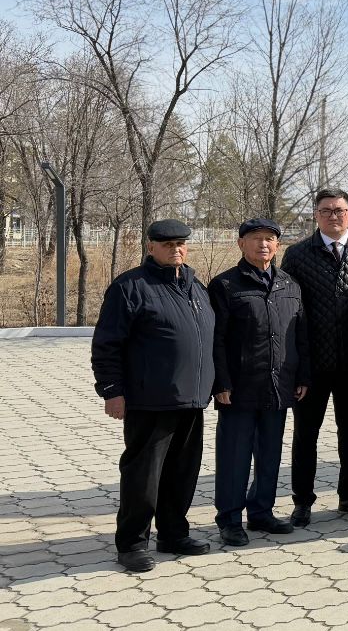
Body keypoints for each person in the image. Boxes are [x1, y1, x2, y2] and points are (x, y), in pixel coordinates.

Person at [91, 219, 216, 573]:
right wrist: (112, 390)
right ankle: (132, 543)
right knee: (143, 476)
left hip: (192, 400)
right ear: (151, 247)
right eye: (167, 244)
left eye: (181, 243)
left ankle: (173, 534)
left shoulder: (194, 286)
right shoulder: (131, 287)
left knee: (182, 473)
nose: (176, 249)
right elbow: (107, 344)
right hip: (150, 400)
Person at [281, 188, 348, 526]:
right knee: (306, 435)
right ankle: (303, 501)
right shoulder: (297, 255)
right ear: (316, 216)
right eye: (326, 211)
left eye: (339, 210)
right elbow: (288, 313)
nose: (333, 216)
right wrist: (297, 367)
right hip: (312, 365)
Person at [209, 217, 309, 546]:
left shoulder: (289, 285)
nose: (262, 244)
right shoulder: (225, 286)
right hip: (239, 387)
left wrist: (303, 375)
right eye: (255, 238)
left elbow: (301, 336)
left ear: (277, 245)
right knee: (235, 456)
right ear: (240, 243)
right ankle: (229, 519)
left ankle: (261, 512)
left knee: (269, 454)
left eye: (269, 238)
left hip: (279, 385)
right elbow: (217, 339)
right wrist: (220, 382)